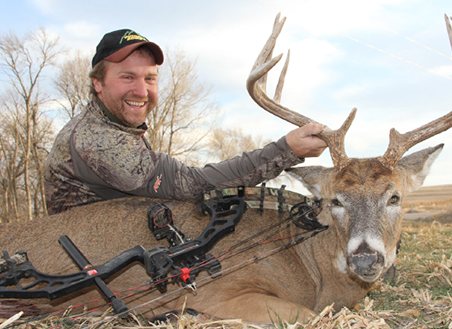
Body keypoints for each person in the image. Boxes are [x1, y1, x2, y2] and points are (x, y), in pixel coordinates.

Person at [44, 29, 327, 215]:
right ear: (98, 83)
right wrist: (287, 149)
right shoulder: (98, 142)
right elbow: (193, 184)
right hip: (91, 269)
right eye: (127, 77)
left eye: (150, 79)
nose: (142, 92)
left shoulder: (114, 126)